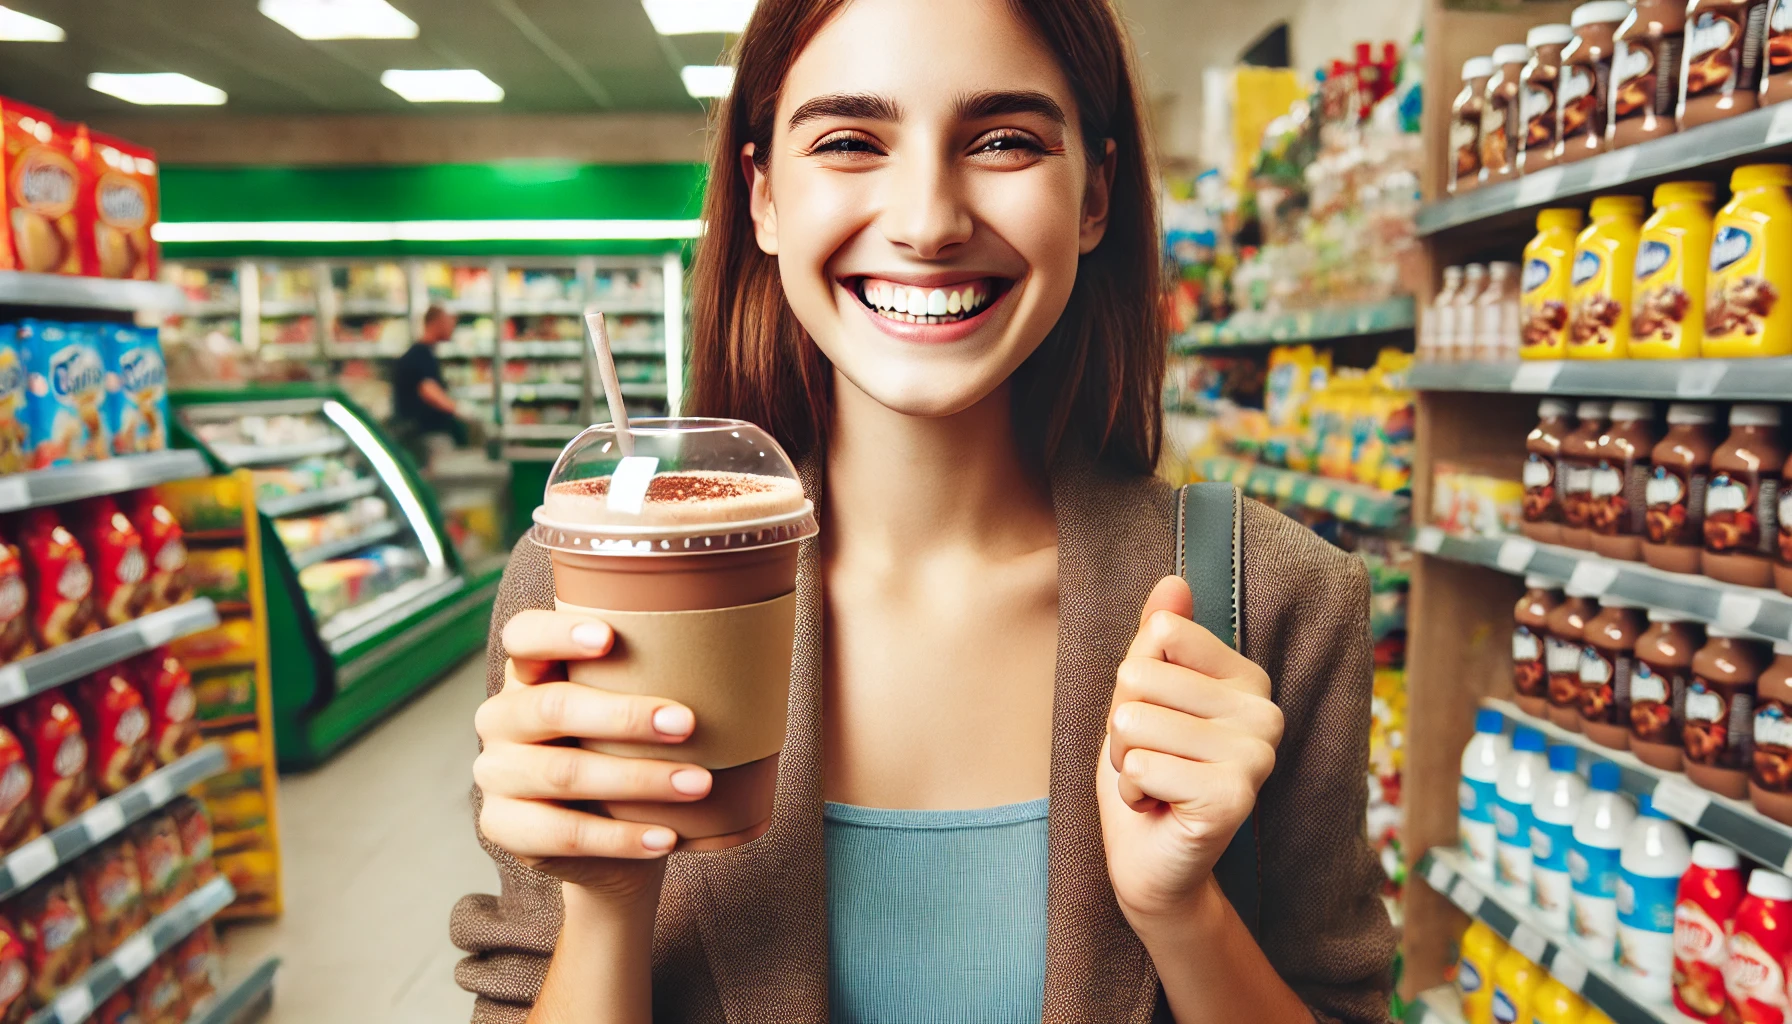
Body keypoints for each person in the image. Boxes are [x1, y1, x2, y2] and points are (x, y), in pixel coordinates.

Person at [452, 0, 1394, 1020]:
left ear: (1095, 194)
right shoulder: (589, 588)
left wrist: (1182, 913)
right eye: (852, 141)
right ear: (763, 195)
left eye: (1002, 141)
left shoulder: (1275, 599)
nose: (927, 221)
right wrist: (605, 903)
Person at [390, 304, 465, 465]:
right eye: (449, 321)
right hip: (427, 435)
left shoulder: (424, 353)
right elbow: (429, 390)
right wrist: (459, 409)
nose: (452, 326)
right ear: (437, 322)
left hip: (425, 435)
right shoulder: (420, 355)